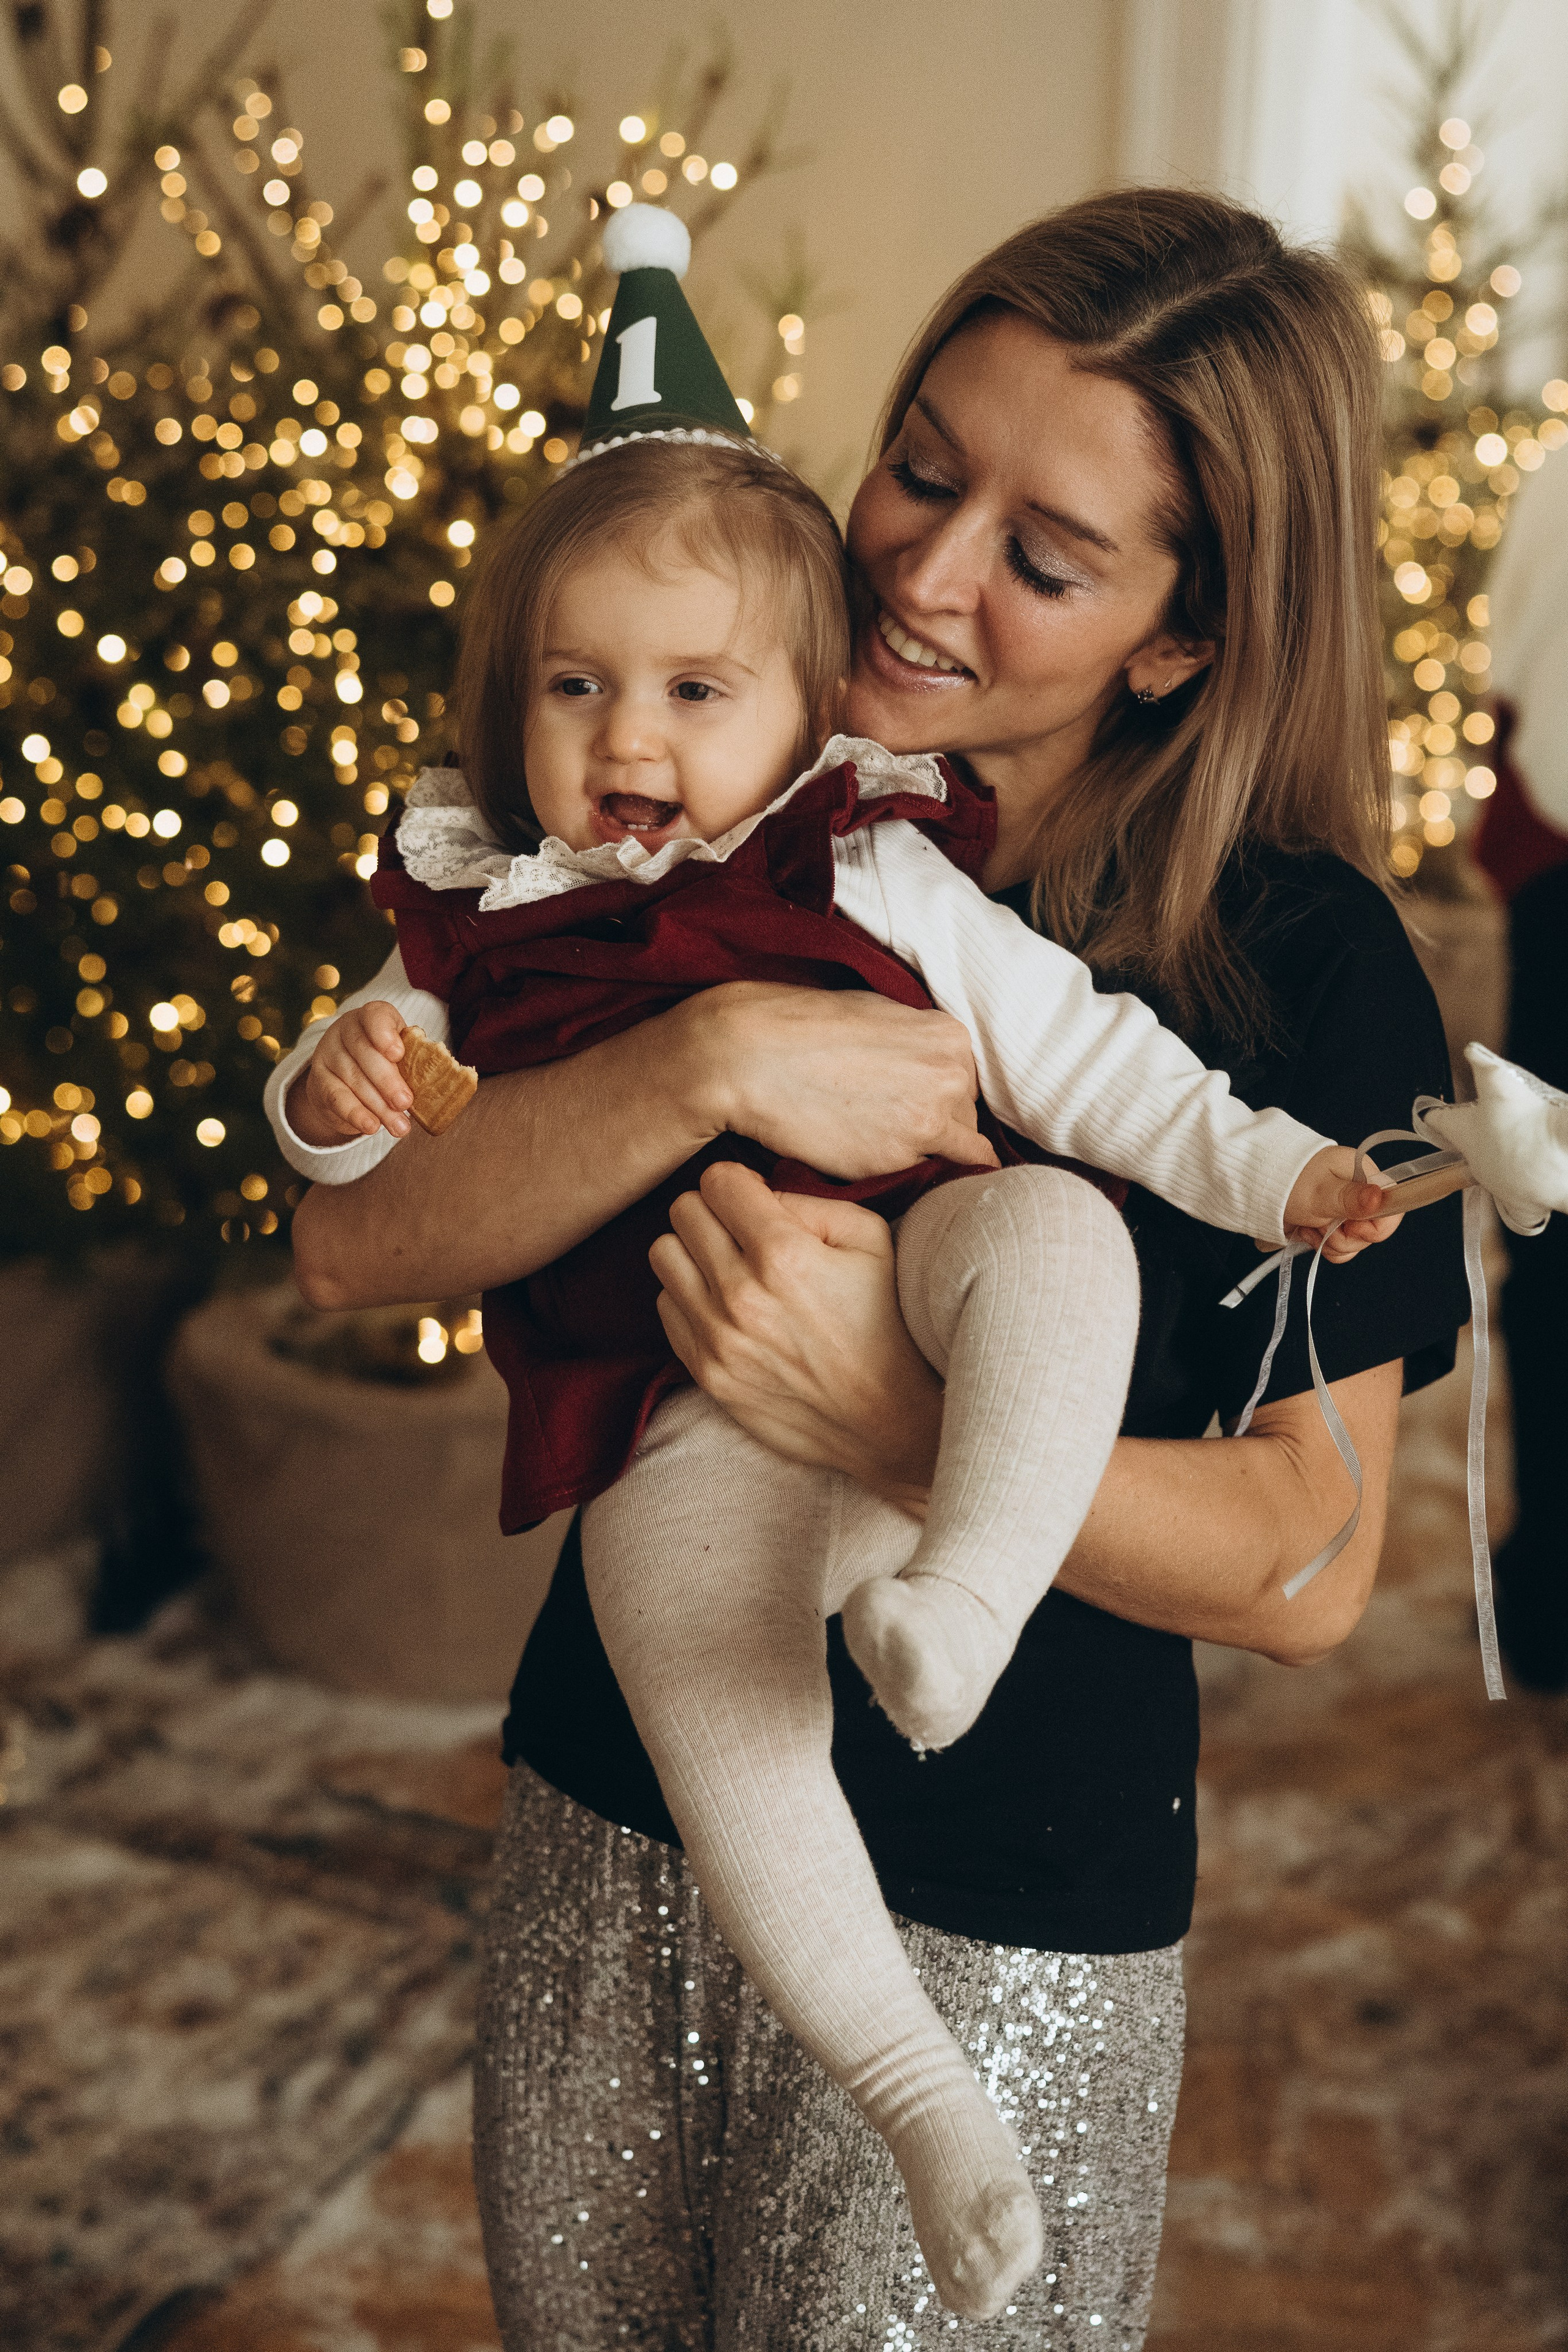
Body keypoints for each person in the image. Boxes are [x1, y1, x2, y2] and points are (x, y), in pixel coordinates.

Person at [286, 189, 1471, 2350]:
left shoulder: (1305, 972)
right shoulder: (671, 785)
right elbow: (360, 1231)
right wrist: (715, 1053)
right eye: (924, 466)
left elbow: (1312, 1571)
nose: (923, 571)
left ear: (1183, 633)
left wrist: (893, 1426)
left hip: (998, 1906)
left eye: (1045, 554)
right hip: (620, 1795)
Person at [1472, 449, 1568, 1691]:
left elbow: (1509, 669)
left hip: (1553, 881)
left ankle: (1544, 1579)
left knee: (1548, 1237)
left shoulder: (1551, 477)